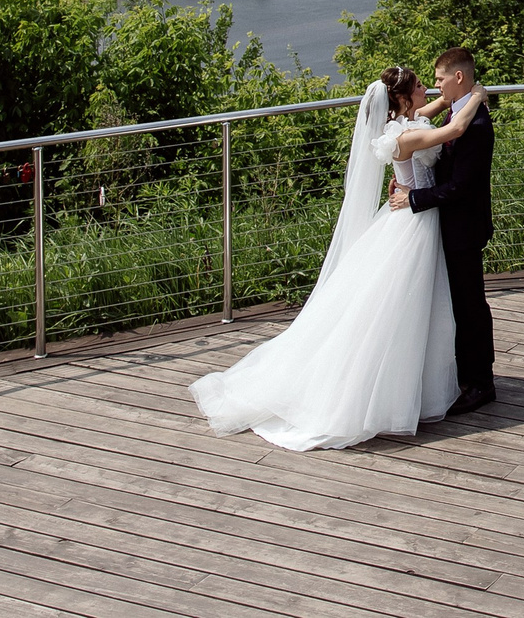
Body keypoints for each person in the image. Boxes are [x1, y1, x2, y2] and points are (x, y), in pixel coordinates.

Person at [186, 63, 487, 449]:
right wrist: (475, 95)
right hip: (413, 222)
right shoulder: (404, 136)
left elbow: (428, 114)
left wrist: (448, 97)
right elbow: (455, 129)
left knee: (414, 306)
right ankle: (379, 392)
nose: (426, 89)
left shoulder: (400, 127)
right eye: (418, 86)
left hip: (418, 218)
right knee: (396, 307)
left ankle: (418, 384)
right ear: (400, 97)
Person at [393, 45, 496, 415]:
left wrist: (414, 198)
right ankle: (464, 375)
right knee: (456, 305)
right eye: (429, 82)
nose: (435, 87)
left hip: (463, 227)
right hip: (444, 225)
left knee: (470, 306)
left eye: (439, 79)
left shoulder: (477, 125)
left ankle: (482, 382)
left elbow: (462, 187)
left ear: (458, 77)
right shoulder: (455, 113)